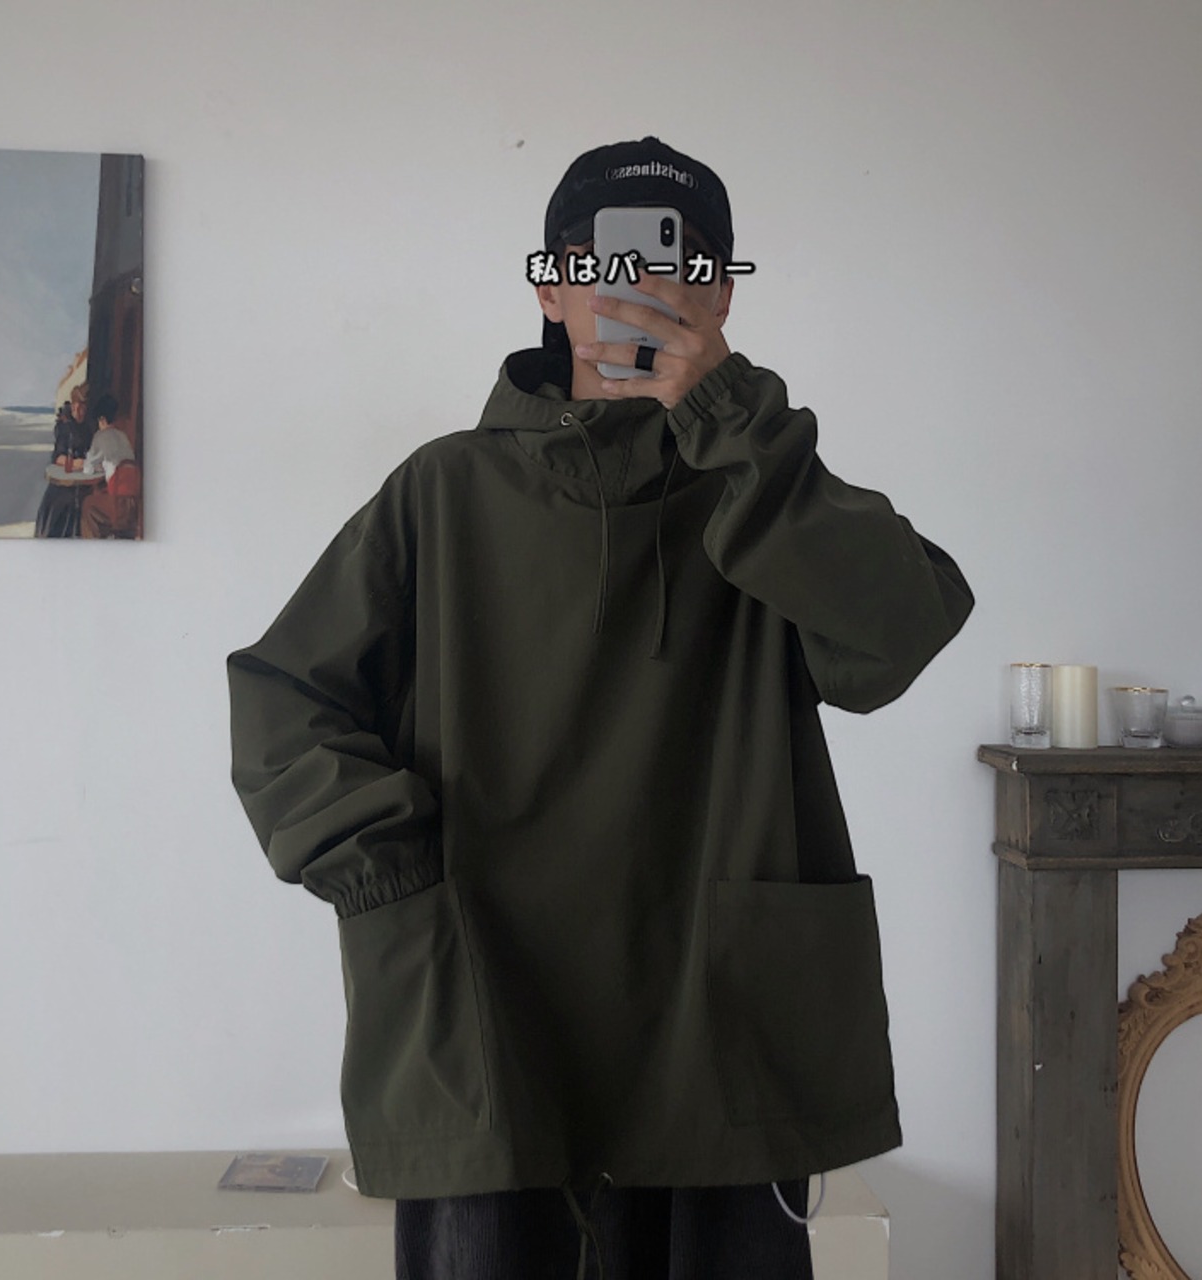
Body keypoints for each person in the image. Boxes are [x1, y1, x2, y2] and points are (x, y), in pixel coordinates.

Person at [227, 137, 974, 1280]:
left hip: (718, 1018)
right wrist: (393, 886)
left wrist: (733, 419)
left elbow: (899, 631)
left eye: (683, 260)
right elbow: (285, 696)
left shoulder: (763, 490)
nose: (644, 282)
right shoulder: (442, 489)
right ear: (549, 286)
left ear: (721, 298)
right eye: (604, 257)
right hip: (482, 1000)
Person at [34, 382, 95, 537]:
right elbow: (58, 457)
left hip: (83, 481)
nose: (78, 412)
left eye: (82, 408)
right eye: (75, 408)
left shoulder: (88, 427)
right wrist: (75, 463)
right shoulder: (65, 426)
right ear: (72, 406)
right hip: (64, 484)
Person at [78, 393, 137, 538]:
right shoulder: (123, 436)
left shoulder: (100, 436)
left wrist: (92, 466)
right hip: (134, 505)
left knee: (87, 504)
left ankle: (94, 542)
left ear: (102, 419)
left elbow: (87, 469)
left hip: (117, 505)